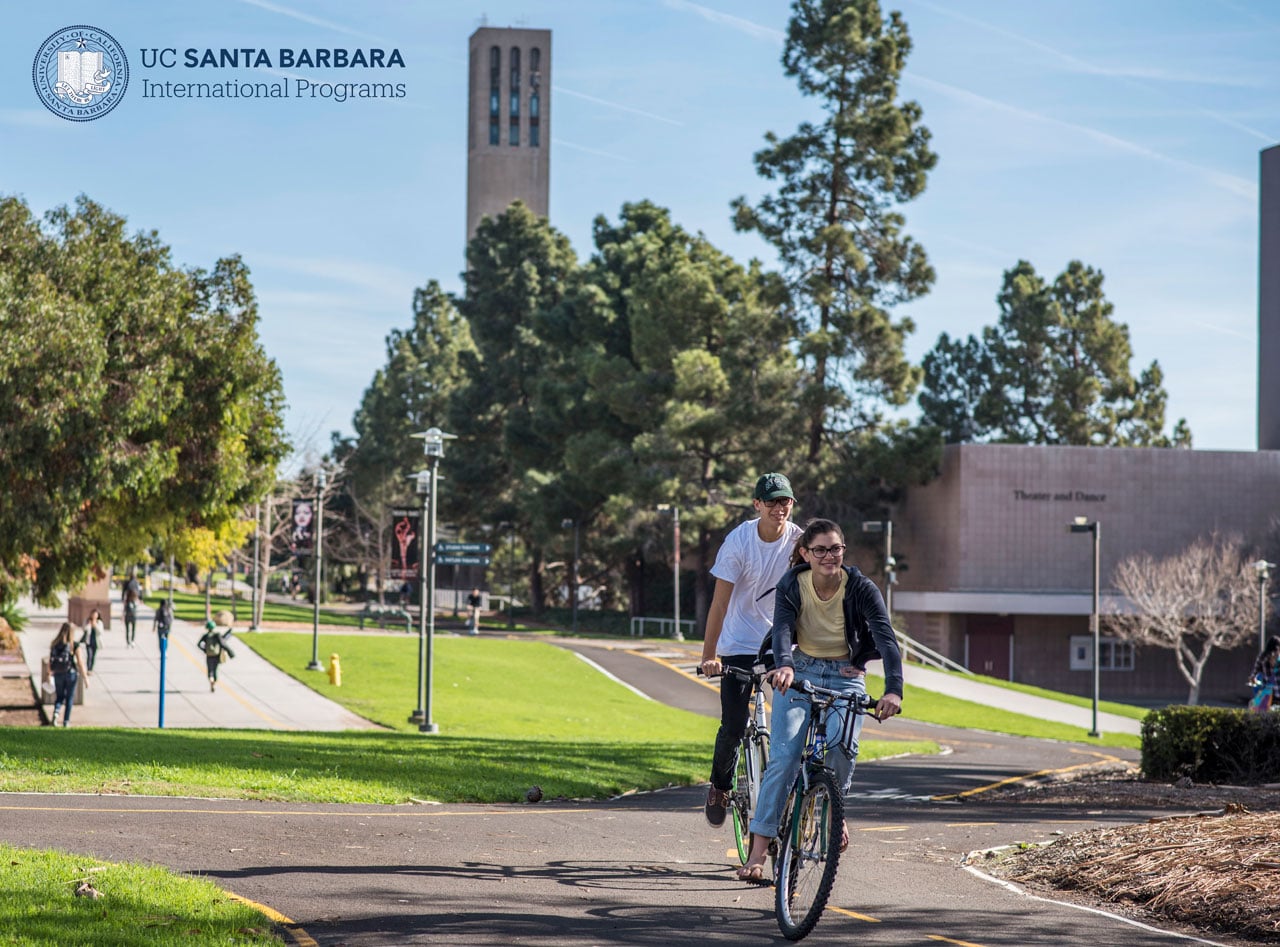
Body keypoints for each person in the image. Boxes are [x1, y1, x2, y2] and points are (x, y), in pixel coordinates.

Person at [737, 517, 904, 882]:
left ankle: (833, 813)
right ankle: (759, 851)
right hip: (800, 671)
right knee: (785, 755)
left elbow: (886, 639)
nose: (829, 556)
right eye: (821, 550)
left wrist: (893, 690)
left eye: (836, 549)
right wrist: (784, 666)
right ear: (805, 554)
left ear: (843, 550)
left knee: (842, 749)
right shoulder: (793, 584)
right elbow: (782, 628)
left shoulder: (860, 587)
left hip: (846, 676)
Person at [700, 472, 804, 828]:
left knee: (793, 725)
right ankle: (720, 786)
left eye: (785, 501)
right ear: (757, 504)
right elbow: (718, 604)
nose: (780, 508)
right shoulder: (739, 541)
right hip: (740, 643)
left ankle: (791, 796)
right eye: (772, 501)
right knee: (733, 724)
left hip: (782, 645)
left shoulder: (800, 543)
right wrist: (709, 656)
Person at [48, 622, 87, 727]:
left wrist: (49, 674)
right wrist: (85, 678)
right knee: (69, 698)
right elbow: (80, 662)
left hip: (58, 674)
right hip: (71, 673)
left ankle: (56, 713)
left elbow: (50, 660)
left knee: (59, 696)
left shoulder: (55, 644)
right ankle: (66, 721)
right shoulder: (74, 645)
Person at [198, 619, 236, 692]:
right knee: (215, 669)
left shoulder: (205, 636)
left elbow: (199, 644)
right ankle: (214, 683)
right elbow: (223, 643)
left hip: (209, 655)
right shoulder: (217, 635)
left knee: (210, 670)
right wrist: (230, 652)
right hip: (216, 655)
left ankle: (211, 680)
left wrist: (205, 650)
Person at [1248, 635, 1280, 713]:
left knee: (1265, 716)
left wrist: (1255, 683)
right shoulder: (1267, 657)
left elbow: (1253, 674)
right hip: (1273, 693)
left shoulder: (1262, 657)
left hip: (1268, 693)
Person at [122, 572, 142, 647]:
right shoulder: (136, 583)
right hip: (133, 616)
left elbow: (124, 591)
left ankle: (128, 641)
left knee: (128, 629)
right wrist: (140, 598)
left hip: (128, 616)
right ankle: (132, 641)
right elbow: (140, 592)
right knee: (132, 629)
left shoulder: (128, 583)